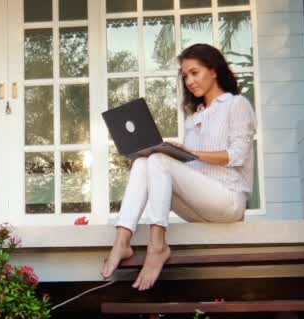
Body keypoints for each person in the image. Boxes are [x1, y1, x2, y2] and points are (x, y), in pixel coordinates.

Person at [101, 43, 257, 291]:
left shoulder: (236, 104)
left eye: (194, 72)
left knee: (160, 161)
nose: (189, 81)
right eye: (185, 76)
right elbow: (192, 169)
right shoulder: (194, 117)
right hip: (201, 205)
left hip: (228, 201)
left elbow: (237, 155)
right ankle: (122, 240)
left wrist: (189, 153)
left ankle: (157, 247)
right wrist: (174, 152)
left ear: (214, 71)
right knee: (145, 161)